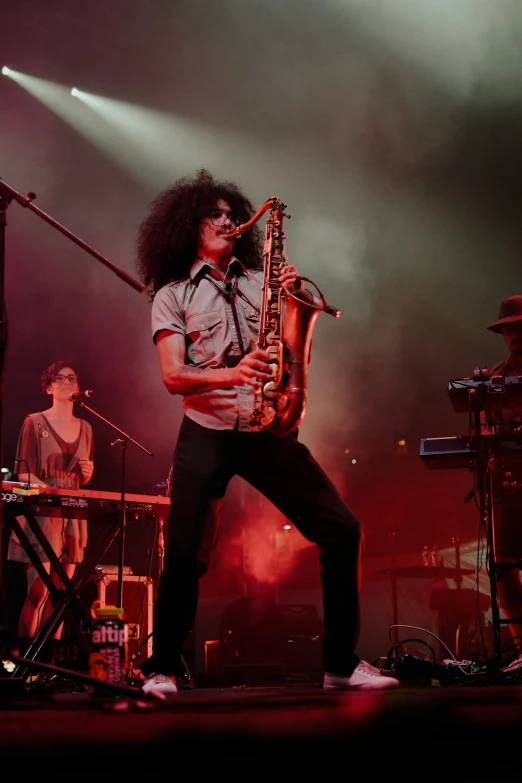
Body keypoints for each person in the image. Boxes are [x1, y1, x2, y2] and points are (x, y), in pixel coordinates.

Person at [135, 169, 399, 697]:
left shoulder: (261, 281)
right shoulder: (171, 296)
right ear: (189, 225)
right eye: (214, 215)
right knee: (186, 554)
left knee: (341, 530)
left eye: (232, 215)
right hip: (205, 430)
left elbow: (285, 336)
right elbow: (172, 377)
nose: (227, 221)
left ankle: (341, 666)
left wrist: (290, 292)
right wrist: (232, 374)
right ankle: (161, 667)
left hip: (264, 426)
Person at [7, 360, 94, 663]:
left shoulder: (87, 427)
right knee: (38, 592)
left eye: (72, 377)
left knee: (61, 598)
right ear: (48, 387)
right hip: (43, 513)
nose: (68, 382)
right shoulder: (34, 422)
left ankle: (48, 664)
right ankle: (24, 663)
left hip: (73, 515)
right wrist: (49, 491)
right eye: (60, 378)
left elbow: (84, 476)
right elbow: (22, 475)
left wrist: (87, 471)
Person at [485, 295, 522, 669]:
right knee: (504, 564)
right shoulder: (495, 378)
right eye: (510, 329)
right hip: (510, 481)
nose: (516, 335)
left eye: (521, 327)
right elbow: (483, 431)